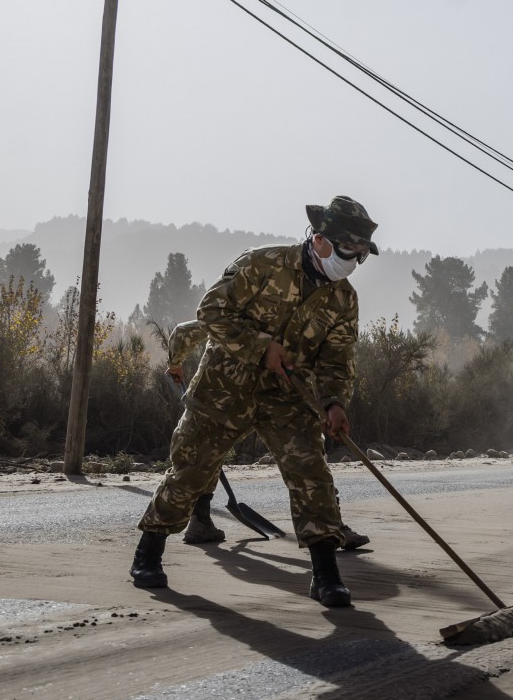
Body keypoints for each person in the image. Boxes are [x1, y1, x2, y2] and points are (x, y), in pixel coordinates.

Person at [129, 194, 379, 609]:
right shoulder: (262, 264)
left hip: (287, 397)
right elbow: (211, 312)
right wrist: (260, 345)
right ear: (319, 240)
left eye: (359, 255)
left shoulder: (343, 300)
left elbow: (336, 359)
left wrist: (335, 403)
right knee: (191, 472)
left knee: (311, 474)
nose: (351, 261)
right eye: (346, 250)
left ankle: (326, 574)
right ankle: (148, 553)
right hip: (224, 389)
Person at [165, 320, 370, 550]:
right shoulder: (235, 313)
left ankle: (200, 521)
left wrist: (175, 364)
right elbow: (186, 331)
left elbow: (181, 333)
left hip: (247, 398)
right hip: (247, 398)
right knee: (303, 456)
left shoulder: (238, 316)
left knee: (209, 454)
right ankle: (200, 521)